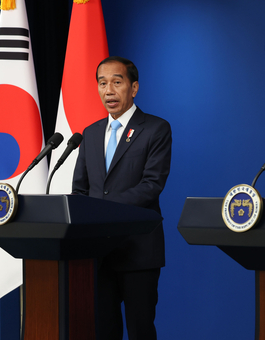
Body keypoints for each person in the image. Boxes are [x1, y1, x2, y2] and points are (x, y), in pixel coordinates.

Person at [72, 56, 172, 340]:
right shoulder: (90, 134)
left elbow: (151, 186)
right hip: (98, 253)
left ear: (134, 87)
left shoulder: (155, 128)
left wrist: (100, 209)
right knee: (103, 330)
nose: (109, 91)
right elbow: (81, 190)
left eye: (117, 82)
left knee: (140, 330)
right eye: (102, 83)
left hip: (138, 250)